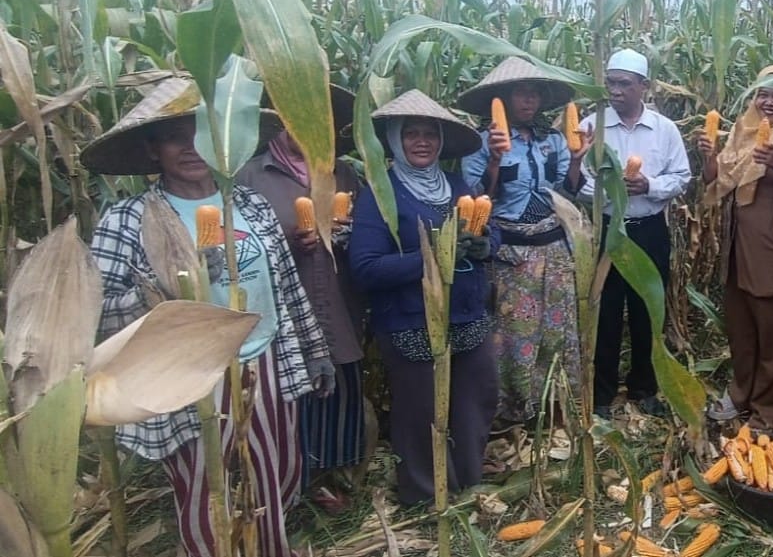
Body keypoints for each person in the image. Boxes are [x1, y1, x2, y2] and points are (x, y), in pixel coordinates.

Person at [83, 78, 332, 557]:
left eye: (201, 132)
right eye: (175, 136)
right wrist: (172, 287)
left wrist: (315, 351)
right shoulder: (129, 220)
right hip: (190, 375)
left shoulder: (251, 206)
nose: (191, 147)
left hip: (267, 364)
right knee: (207, 486)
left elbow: (286, 289)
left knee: (276, 472)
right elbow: (98, 312)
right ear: (153, 150)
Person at [348, 89, 499, 505]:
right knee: (421, 413)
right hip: (410, 319)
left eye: (429, 134)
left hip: (467, 315)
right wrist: (434, 256)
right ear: (395, 141)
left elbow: (488, 231)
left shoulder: (456, 184)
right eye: (411, 133)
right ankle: (427, 494)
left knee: (476, 399)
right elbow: (365, 268)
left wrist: (487, 245)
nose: (421, 141)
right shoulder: (379, 194)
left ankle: (469, 481)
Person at [237, 83, 371, 512]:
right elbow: (240, 243)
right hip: (284, 308)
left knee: (342, 389)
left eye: (323, 120)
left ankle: (335, 477)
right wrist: (287, 242)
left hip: (339, 299)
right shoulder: (251, 176)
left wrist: (346, 236)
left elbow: (368, 233)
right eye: (303, 116)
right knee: (293, 392)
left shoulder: (345, 175)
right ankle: (291, 483)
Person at [458, 57, 592, 429]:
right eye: (520, 93)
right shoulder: (482, 142)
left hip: (554, 247)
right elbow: (475, 199)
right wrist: (496, 160)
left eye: (535, 94)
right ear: (503, 97)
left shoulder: (552, 140)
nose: (528, 101)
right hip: (511, 252)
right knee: (514, 334)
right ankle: (513, 410)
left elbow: (567, 192)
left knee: (557, 329)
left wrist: (578, 161)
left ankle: (555, 405)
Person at [697, 66, 773, 434]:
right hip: (739, 249)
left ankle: (770, 411)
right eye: (763, 93)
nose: (769, 102)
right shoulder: (742, 131)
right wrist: (710, 155)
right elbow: (715, 183)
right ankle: (741, 394)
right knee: (741, 329)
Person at [579, 48, 692, 418]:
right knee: (605, 313)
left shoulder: (665, 130)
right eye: (610, 82)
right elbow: (577, 181)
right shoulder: (590, 125)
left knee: (648, 312)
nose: (615, 90)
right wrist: (608, 191)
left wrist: (651, 186)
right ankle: (601, 394)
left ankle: (645, 388)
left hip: (648, 231)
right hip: (607, 231)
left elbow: (681, 178)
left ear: (644, 86)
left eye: (624, 84)